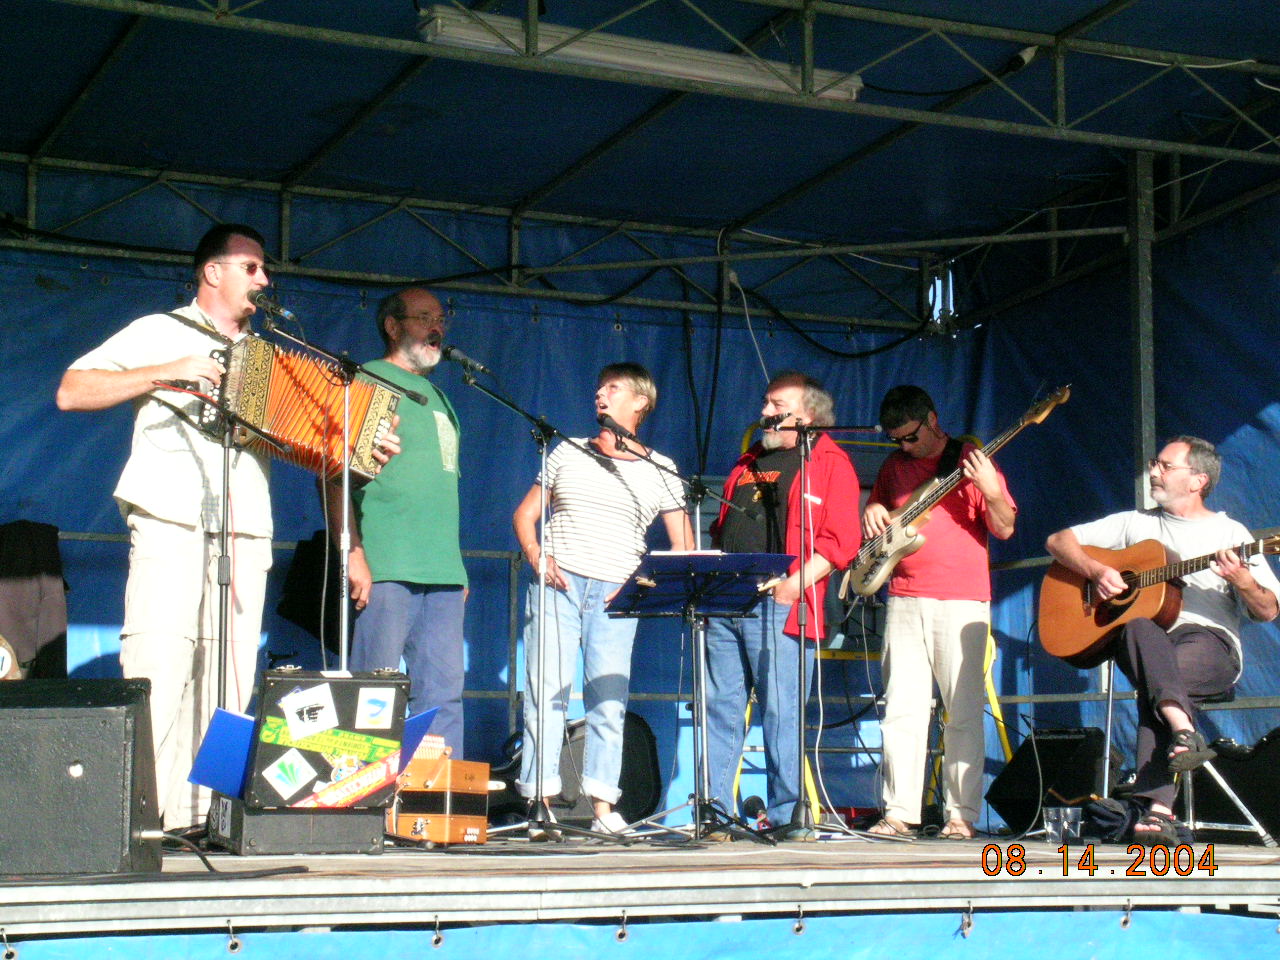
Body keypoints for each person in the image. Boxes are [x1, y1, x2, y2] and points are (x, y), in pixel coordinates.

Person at [56, 224, 398, 830]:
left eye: (265, 269)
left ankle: (197, 817)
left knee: (229, 676)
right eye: (252, 267)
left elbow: (320, 443)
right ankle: (137, 818)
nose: (264, 279)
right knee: (160, 661)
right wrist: (166, 371)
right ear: (212, 272)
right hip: (171, 516)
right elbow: (72, 392)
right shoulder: (161, 330)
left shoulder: (270, 358)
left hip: (245, 529)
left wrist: (365, 445)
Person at [1045, 436, 1280, 843]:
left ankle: (1153, 796)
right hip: (1147, 643)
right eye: (1155, 463)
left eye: (1165, 466)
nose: (1153, 471)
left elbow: (1268, 610)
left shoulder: (1231, 533)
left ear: (1197, 480)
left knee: (1159, 681)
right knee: (1139, 627)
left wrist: (1243, 580)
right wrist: (1097, 571)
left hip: (1210, 644)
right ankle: (1170, 774)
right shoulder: (1135, 523)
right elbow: (1057, 541)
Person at [512, 363, 693, 836]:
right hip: (559, 585)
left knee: (608, 701)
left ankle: (604, 808)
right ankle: (539, 804)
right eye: (598, 388)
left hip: (617, 594)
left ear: (640, 402)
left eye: (613, 388)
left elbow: (684, 547)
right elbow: (526, 515)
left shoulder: (662, 468)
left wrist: (641, 582)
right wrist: (536, 554)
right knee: (545, 692)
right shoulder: (567, 450)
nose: (600, 394)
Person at [705, 371, 861, 834]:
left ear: (808, 415)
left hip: (781, 602)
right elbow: (723, 527)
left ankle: (788, 814)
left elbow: (840, 542)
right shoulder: (749, 461)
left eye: (777, 405)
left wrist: (796, 584)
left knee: (780, 710)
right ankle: (715, 810)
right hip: (727, 599)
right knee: (720, 708)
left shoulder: (830, 463)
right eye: (765, 403)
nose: (765, 412)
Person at [864, 385, 1016, 840]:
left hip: (961, 599)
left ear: (932, 420)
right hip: (904, 595)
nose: (904, 446)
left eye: (911, 436)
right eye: (896, 439)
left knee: (962, 711)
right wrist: (873, 508)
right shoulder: (894, 466)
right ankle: (899, 812)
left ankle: (960, 815)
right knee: (902, 710)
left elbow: (1005, 528)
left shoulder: (969, 459)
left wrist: (991, 491)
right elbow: (881, 513)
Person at [324, 287, 467, 755]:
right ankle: (363, 792)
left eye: (440, 319)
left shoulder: (439, 395)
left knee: (443, 695)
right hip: (386, 563)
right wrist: (353, 552)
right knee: (373, 691)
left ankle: (438, 794)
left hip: (443, 572)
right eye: (424, 318)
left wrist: (457, 568)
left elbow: (440, 490)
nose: (436, 327)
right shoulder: (367, 380)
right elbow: (333, 475)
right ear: (392, 326)